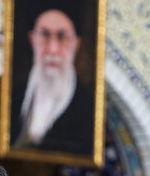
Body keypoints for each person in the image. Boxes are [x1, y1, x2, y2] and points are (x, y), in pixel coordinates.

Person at [11, 8, 95, 156]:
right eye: (44, 35)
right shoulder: (13, 96)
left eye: (62, 37)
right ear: (32, 40)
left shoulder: (89, 106)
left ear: (75, 44)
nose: (52, 49)